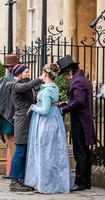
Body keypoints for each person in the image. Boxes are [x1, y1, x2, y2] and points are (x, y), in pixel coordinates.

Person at [25, 63, 70, 193]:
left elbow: (44, 110)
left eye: (42, 73)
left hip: (46, 122)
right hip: (54, 119)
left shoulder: (47, 91)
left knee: (44, 152)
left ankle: (44, 184)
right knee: (53, 152)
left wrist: (33, 107)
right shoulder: (54, 87)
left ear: (45, 74)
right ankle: (54, 182)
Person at [57, 55, 96, 191]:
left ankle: (80, 182)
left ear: (69, 71)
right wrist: (65, 102)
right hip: (84, 121)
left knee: (80, 152)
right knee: (84, 151)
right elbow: (77, 99)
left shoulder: (77, 81)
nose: (65, 77)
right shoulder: (83, 79)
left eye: (64, 74)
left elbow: (79, 101)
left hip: (80, 122)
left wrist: (63, 109)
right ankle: (86, 182)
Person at [6, 64, 42, 192]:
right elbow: (26, 86)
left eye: (28, 72)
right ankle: (14, 181)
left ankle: (21, 179)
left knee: (25, 152)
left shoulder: (24, 86)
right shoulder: (14, 85)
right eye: (26, 72)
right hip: (22, 122)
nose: (28, 74)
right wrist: (40, 78)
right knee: (19, 151)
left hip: (28, 121)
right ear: (19, 74)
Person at [0, 54, 18, 178]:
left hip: (7, 117)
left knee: (11, 144)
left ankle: (13, 172)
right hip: (18, 116)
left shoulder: (6, 80)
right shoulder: (19, 79)